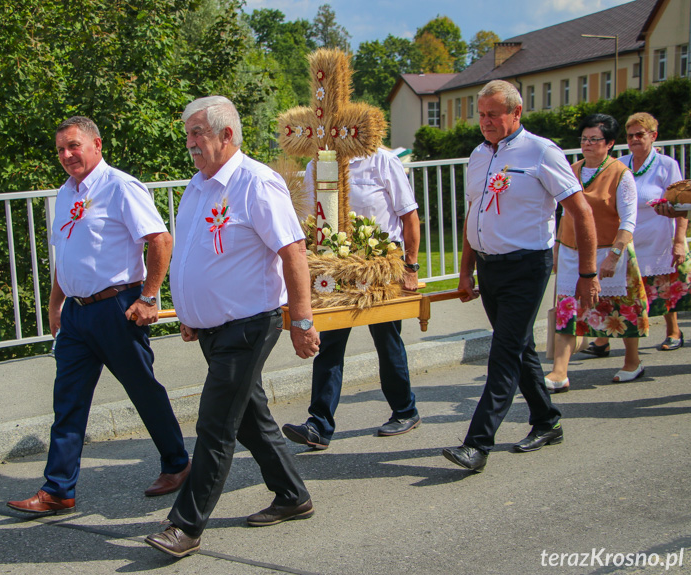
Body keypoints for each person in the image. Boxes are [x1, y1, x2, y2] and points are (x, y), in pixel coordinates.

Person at [144, 96, 320, 558]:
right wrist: (189, 311)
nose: (190, 144)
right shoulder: (197, 186)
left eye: (197, 134)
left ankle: (185, 525)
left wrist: (302, 320)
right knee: (248, 420)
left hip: (249, 323)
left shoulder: (256, 182)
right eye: (187, 135)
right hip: (213, 328)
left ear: (227, 135)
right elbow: (195, 254)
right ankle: (292, 494)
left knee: (215, 422)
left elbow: (293, 252)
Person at [7, 116, 190, 516]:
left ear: (96, 144)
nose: (66, 155)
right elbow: (65, 256)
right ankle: (58, 490)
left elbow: (160, 239)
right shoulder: (65, 193)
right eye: (60, 149)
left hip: (116, 308)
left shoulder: (120, 187)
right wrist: (56, 304)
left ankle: (177, 463)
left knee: (143, 390)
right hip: (76, 314)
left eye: (73, 146)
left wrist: (149, 297)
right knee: (67, 402)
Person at [442, 80, 600, 473]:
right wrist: (466, 270)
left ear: (516, 113)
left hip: (527, 266)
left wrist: (587, 273)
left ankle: (477, 444)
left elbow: (581, 213)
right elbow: (473, 215)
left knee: (504, 353)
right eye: (481, 114)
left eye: (493, 114)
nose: (485, 122)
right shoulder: (479, 155)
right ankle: (547, 420)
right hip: (490, 266)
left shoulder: (542, 151)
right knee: (520, 348)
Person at [281, 148, 421, 450]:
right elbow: (309, 215)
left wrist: (410, 266)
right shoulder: (316, 164)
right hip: (336, 265)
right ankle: (318, 425)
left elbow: (409, 216)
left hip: (380, 266)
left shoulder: (382, 160)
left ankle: (405, 410)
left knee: (386, 338)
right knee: (330, 341)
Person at [545, 114, 648, 390]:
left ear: (610, 143)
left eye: (594, 139)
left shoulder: (620, 174)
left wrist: (615, 254)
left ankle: (632, 360)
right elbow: (562, 213)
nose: (587, 144)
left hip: (608, 252)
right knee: (568, 308)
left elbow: (628, 220)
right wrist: (556, 247)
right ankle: (559, 371)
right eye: (584, 139)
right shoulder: (572, 169)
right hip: (571, 252)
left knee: (622, 308)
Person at [582, 113, 687, 356]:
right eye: (630, 135)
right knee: (619, 289)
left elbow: (681, 206)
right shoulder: (620, 163)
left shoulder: (667, 165)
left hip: (657, 235)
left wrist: (679, 241)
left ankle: (673, 331)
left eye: (640, 134)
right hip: (626, 237)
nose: (634, 139)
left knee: (661, 287)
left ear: (653, 136)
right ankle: (602, 340)